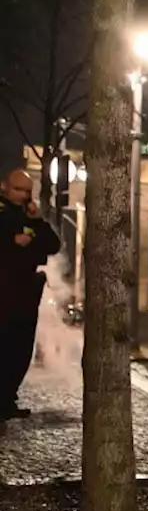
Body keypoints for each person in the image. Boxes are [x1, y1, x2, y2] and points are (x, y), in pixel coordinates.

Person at [0, 168, 61, 419]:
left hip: (25, 288)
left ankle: (7, 398)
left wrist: (36, 222)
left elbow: (53, 245)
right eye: (18, 189)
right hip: (4, 287)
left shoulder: (29, 214)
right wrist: (12, 243)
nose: (23, 195)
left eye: (27, 190)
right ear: (4, 186)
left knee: (21, 347)